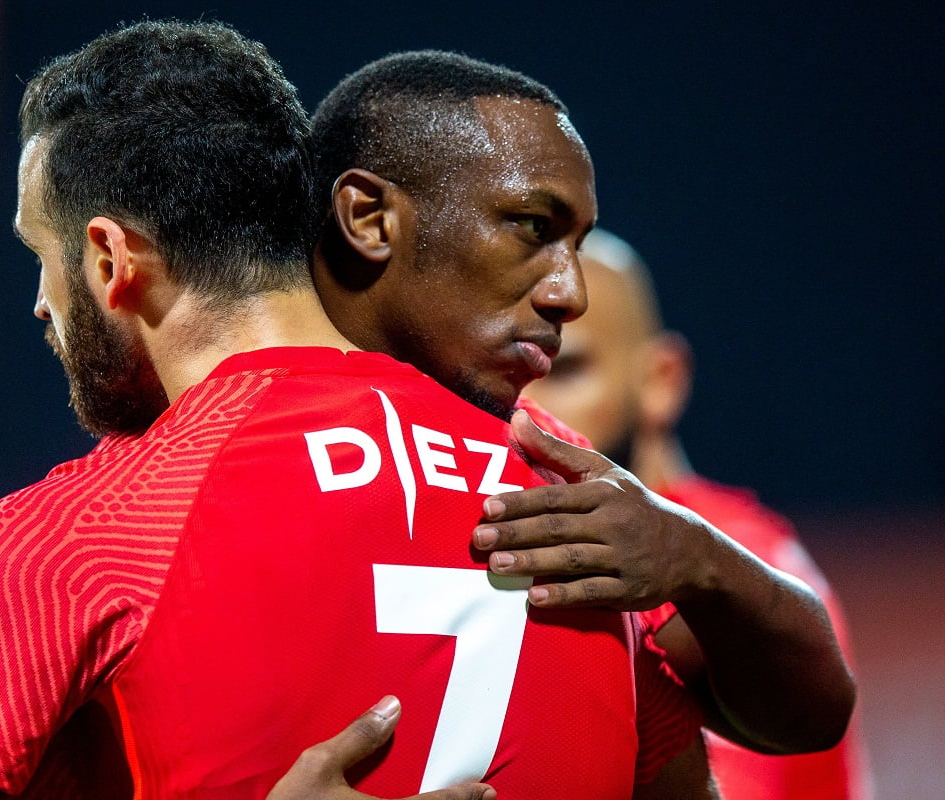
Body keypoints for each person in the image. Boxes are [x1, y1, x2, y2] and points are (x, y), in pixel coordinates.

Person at [0, 21, 714, 799]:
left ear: (110, 259)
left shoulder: (85, 533)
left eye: (40, 257)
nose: (41, 304)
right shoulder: (566, 484)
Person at [307, 50, 854, 758]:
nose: (571, 293)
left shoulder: (542, 466)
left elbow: (810, 717)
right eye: (533, 226)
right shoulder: (209, 447)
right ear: (370, 218)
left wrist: (696, 556)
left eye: (578, 243)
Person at [520, 228, 873, 799]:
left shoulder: (744, 566)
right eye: (513, 372)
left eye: (563, 372)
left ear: (661, 381)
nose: (528, 409)